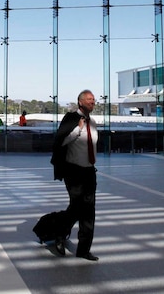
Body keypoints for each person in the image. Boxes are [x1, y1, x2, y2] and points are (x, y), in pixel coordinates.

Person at [50, 89, 99, 261]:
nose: (92, 102)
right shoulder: (70, 119)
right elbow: (61, 141)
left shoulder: (92, 122)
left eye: (93, 100)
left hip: (89, 171)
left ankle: (84, 250)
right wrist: (77, 130)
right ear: (80, 102)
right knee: (77, 206)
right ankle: (59, 233)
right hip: (74, 171)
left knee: (89, 210)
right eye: (89, 100)